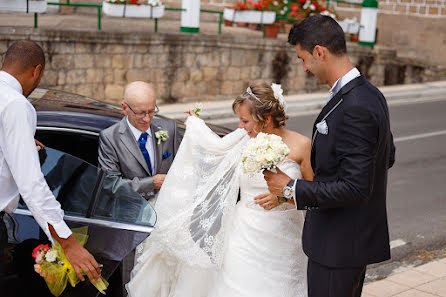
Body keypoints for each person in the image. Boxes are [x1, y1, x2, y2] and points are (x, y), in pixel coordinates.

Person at [126, 82, 313, 297]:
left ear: (266, 119)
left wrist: (285, 196)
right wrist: (195, 126)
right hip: (244, 237)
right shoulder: (244, 139)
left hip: (286, 237)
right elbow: (213, 149)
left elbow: (314, 193)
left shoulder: (301, 145)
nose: (240, 127)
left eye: (245, 121)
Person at [263, 15, 396, 297]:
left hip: (339, 247)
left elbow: (356, 187)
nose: (305, 69)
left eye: (303, 59)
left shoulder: (355, 105)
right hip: (349, 244)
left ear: (320, 52)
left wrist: (291, 188)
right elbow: (387, 156)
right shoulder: (370, 93)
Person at [0, 40, 101, 282]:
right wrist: (68, 243)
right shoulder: (16, 105)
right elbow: (31, 183)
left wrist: (14, 146)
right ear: (37, 71)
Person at [98, 81, 181, 293]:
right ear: (125, 108)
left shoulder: (169, 129)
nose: (147, 119)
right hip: (133, 226)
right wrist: (151, 183)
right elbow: (110, 184)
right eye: (140, 113)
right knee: (136, 285)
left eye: (151, 111)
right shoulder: (110, 138)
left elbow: (185, 168)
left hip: (169, 224)